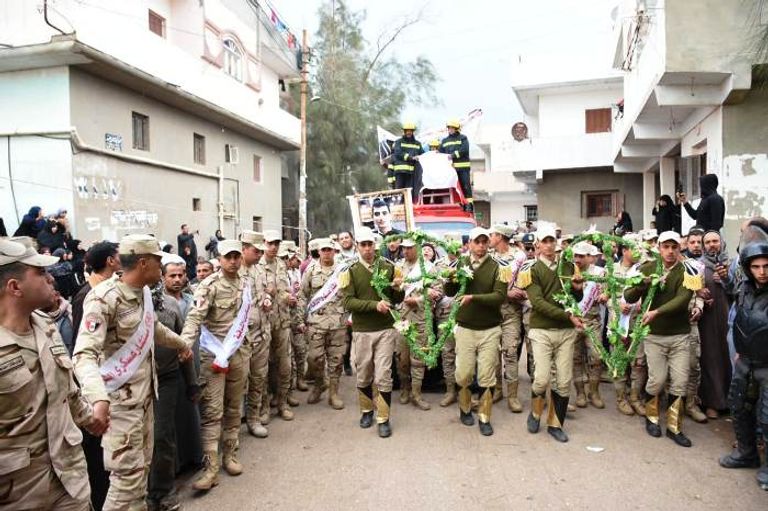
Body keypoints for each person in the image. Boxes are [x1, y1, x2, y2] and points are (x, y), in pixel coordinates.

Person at [73, 234, 193, 510]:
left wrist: (181, 344)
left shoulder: (143, 293)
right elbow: (83, 356)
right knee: (125, 483)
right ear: (143, 263)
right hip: (120, 408)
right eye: (157, 261)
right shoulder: (103, 299)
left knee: (140, 475)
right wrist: (98, 399)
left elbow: (153, 329)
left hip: (145, 401)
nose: (161, 267)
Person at [0, 238, 103, 510]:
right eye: (40, 273)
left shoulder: (45, 324)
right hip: (19, 492)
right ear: (15, 287)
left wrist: (90, 418)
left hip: (70, 479)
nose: (51, 279)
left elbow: (66, 388)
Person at [180, 240, 251, 491]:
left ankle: (230, 455)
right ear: (219, 260)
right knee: (212, 411)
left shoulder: (245, 282)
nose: (232, 261)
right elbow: (194, 318)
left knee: (234, 406)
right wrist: (186, 344)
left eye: (236, 257)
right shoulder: (208, 286)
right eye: (227, 257)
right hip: (214, 356)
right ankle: (210, 467)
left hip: (239, 352)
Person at [624, 231, 702, 447]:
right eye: (665, 246)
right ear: (658, 248)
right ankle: (652, 418)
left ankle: (674, 427)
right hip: (655, 336)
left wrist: (656, 312)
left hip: (679, 336)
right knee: (657, 380)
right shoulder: (647, 268)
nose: (670, 251)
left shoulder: (689, 270)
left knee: (680, 382)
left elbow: (682, 300)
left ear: (680, 248)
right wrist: (645, 283)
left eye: (674, 247)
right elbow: (629, 296)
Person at [518, 225, 584, 443]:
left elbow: (575, 299)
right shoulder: (531, 270)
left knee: (564, 381)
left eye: (552, 241)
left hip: (565, 332)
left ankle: (555, 423)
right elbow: (538, 303)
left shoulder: (567, 266)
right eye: (544, 241)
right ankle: (536, 412)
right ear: (537, 244)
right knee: (541, 378)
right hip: (541, 331)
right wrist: (568, 316)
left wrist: (577, 289)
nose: (549, 245)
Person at [444, 227, 508, 435]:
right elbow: (449, 292)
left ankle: (484, 415)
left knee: (487, 375)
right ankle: (464, 409)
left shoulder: (498, 267)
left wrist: (474, 298)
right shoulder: (460, 264)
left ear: (488, 243)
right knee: (463, 373)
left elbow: (499, 296)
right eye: (476, 242)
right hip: (465, 327)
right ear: (469, 244)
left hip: (490, 328)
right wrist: (450, 278)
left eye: (484, 242)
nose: (481, 246)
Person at [718, 224, 768, 491]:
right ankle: (746, 453)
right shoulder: (744, 289)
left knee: (767, 416)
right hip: (745, 360)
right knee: (738, 407)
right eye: (757, 267)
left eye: (766, 266)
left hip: (767, 365)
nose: (762, 272)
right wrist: (738, 351)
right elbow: (739, 321)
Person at [341, 226, 404, 438]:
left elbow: (398, 299)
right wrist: (374, 305)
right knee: (364, 373)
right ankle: (367, 410)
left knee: (384, 374)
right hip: (362, 331)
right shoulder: (350, 270)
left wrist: (397, 289)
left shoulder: (388, 267)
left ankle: (383, 418)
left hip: (385, 329)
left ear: (375, 245)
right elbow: (348, 302)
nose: (367, 249)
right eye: (363, 245)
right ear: (357, 246)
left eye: (370, 245)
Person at [148, 255, 199, 510]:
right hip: (129, 384)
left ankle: (162, 491)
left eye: (181, 275)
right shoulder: (113, 304)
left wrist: (191, 384)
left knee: (162, 437)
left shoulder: (169, 307)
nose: (176, 280)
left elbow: (184, 350)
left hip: (166, 379)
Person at [394, 237, 442, 411]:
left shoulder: (429, 267)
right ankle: (405, 388)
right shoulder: (398, 267)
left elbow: (438, 291)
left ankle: (416, 393)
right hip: (402, 318)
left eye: (409, 248)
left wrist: (419, 300)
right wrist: (394, 286)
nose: (405, 251)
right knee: (401, 358)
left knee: (418, 359)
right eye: (403, 248)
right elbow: (389, 292)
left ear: (418, 248)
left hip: (420, 318)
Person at [299, 238, 348, 410]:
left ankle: (333, 393)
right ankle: (320, 383)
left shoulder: (343, 270)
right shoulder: (311, 271)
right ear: (318, 252)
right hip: (316, 322)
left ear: (334, 251)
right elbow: (303, 295)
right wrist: (300, 319)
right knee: (314, 358)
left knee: (336, 359)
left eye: (330, 249)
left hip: (338, 322)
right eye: (324, 250)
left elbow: (350, 294)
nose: (327, 253)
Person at [256, 230, 295, 421]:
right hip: (264, 323)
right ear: (263, 243)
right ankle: (264, 407)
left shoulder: (281, 263)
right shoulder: (257, 265)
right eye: (270, 243)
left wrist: (289, 297)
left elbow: (283, 290)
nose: (273, 247)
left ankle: (283, 402)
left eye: (276, 244)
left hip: (282, 321)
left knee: (284, 365)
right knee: (263, 366)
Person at [489, 224, 527, 412]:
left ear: (501, 237)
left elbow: (525, 284)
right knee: (494, 354)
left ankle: (512, 396)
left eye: (492, 234)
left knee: (510, 352)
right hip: (493, 311)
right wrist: (507, 292)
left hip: (512, 312)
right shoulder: (490, 258)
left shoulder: (519, 257)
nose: (490, 237)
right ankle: (497, 390)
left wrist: (516, 292)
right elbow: (487, 285)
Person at [238, 231, 270, 439]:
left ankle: (254, 418)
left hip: (261, 333)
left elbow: (262, 292)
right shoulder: (232, 271)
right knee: (239, 382)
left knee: (258, 378)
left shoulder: (259, 271)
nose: (259, 255)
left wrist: (266, 298)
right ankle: (233, 427)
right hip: (240, 338)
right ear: (244, 249)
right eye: (255, 251)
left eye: (261, 251)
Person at [697, 230, 732, 418]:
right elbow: (691, 291)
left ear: (722, 242)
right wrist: (699, 292)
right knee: (710, 359)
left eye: (715, 241)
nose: (712, 245)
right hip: (707, 321)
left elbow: (740, 290)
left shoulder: (733, 264)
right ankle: (712, 402)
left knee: (728, 358)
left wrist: (727, 279)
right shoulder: (698, 266)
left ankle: (730, 401)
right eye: (708, 242)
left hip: (729, 320)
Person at [570, 241, 607, 410]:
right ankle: (580, 393)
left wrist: (605, 295)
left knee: (597, 357)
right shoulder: (568, 271)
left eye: (581, 256)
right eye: (575, 256)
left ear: (589, 258)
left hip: (593, 321)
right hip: (573, 322)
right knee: (575, 359)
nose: (577, 259)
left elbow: (609, 291)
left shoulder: (599, 273)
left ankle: (594, 391)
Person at [440, 119, 473, 212]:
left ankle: (469, 205)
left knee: (465, 187)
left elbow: (464, 150)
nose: (450, 130)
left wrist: (453, 155)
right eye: (449, 128)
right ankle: (460, 205)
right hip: (451, 169)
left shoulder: (463, 138)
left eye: (451, 128)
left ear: (456, 129)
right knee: (455, 188)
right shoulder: (444, 141)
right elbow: (441, 152)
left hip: (463, 168)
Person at [392, 121, 424, 199]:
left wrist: (432, 153)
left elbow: (423, 155)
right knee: (399, 191)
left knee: (409, 192)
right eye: (407, 131)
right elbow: (398, 153)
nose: (409, 132)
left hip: (411, 173)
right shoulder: (399, 142)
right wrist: (411, 157)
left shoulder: (417, 144)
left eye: (410, 131)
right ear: (404, 131)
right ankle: (398, 206)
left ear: (413, 132)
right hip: (400, 171)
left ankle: (408, 207)